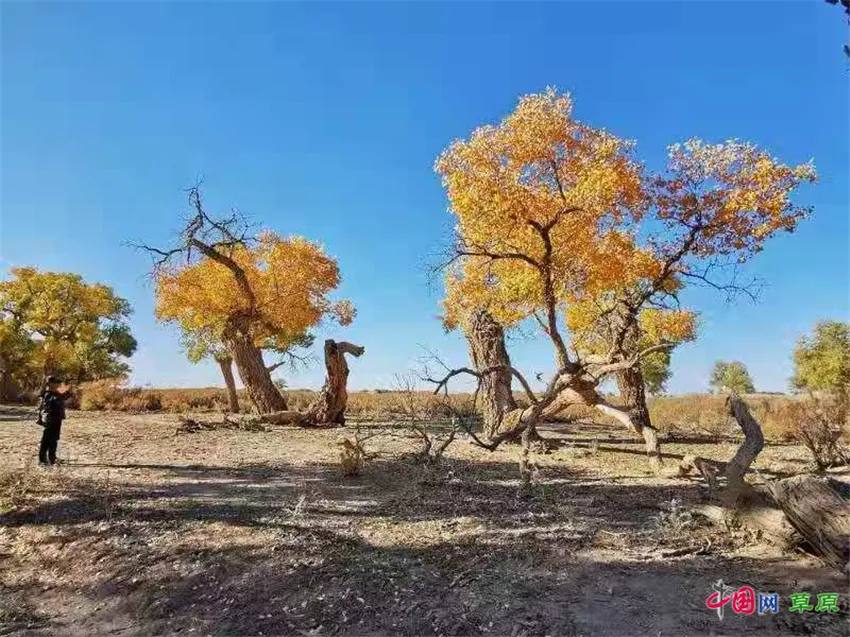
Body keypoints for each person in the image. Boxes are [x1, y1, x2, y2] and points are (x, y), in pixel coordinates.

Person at [37, 376, 72, 466]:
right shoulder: (48, 394)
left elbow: (63, 398)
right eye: (56, 383)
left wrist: (68, 391)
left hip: (56, 419)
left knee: (54, 439)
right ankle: (43, 460)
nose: (59, 384)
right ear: (50, 384)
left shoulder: (55, 393)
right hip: (50, 420)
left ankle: (52, 458)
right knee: (47, 440)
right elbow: (55, 402)